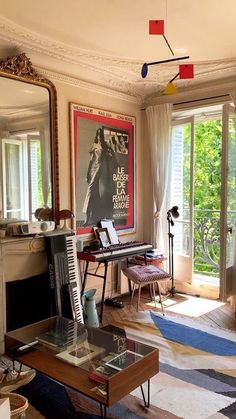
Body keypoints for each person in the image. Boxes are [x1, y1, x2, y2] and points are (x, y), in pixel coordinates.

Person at [82, 127, 118, 226]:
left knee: (91, 190)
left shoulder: (105, 146)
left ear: (101, 136)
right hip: (93, 169)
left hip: (100, 169)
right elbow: (90, 161)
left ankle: (87, 218)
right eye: (97, 134)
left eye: (99, 134)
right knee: (94, 193)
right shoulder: (94, 145)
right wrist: (87, 173)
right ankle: (93, 217)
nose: (98, 136)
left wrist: (111, 156)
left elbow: (112, 158)